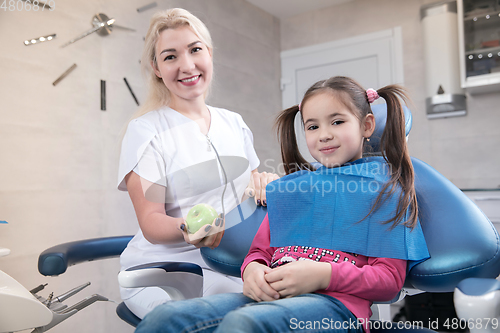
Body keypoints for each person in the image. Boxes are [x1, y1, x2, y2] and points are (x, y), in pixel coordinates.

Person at [134, 76, 430, 332]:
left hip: (339, 310)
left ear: (366, 125)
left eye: (337, 122)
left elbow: (389, 281)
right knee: (167, 318)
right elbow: (259, 252)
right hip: (271, 298)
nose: (324, 134)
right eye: (312, 127)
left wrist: (322, 274)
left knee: (247, 325)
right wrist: (252, 272)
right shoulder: (293, 190)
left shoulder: (385, 192)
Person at [117, 8, 278, 320]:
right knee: (240, 318)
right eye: (170, 56)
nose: (187, 65)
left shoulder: (235, 124)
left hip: (233, 262)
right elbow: (151, 221)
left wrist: (264, 185)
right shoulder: (146, 131)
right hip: (166, 269)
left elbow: (251, 188)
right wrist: (189, 228)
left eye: (195, 50)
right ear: (156, 68)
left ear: (209, 54)